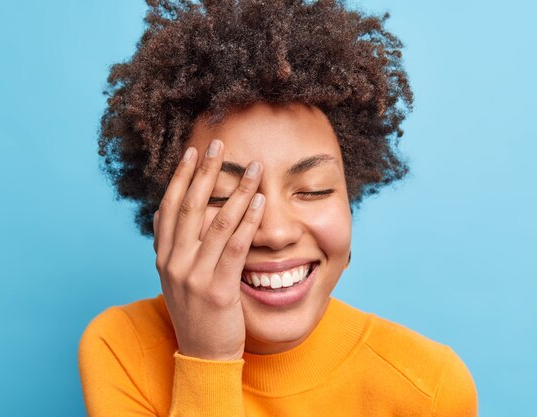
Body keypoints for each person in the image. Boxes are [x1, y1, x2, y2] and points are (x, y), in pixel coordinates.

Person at [78, 0, 478, 416]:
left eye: (313, 190)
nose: (274, 232)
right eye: (223, 196)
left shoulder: (429, 388)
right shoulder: (122, 346)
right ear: (170, 214)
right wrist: (208, 358)